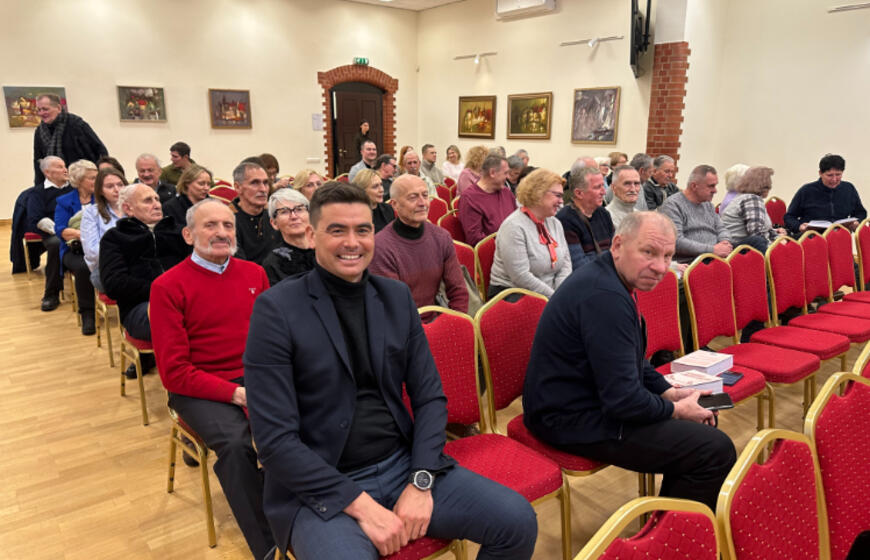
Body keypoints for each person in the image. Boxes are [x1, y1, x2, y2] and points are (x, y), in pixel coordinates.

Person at [243, 182, 537, 559]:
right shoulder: (276, 309)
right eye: (337, 230)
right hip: (320, 483)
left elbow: (430, 397)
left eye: (362, 230)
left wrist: (421, 479)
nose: (353, 242)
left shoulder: (395, 297)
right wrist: (361, 506)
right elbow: (274, 440)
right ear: (312, 235)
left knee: (516, 522)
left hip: (402, 463)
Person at [523, 211, 737, 512]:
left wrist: (668, 392)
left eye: (667, 256)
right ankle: (675, 535)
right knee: (713, 450)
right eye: (648, 252)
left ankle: (673, 523)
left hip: (590, 400)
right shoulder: (605, 297)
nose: (660, 267)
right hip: (568, 418)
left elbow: (633, 360)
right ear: (617, 245)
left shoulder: (613, 278)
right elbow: (623, 402)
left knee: (704, 422)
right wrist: (676, 410)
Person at [150, 198, 274, 559]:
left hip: (255, 375)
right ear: (188, 235)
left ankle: (307, 511)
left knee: (317, 413)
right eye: (210, 226)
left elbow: (273, 339)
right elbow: (174, 372)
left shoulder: (254, 274)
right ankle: (268, 546)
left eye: (228, 225)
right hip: (197, 386)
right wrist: (236, 394)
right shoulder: (168, 286)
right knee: (236, 446)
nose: (222, 233)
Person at [100, 184, 189, 376]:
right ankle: (180, 381)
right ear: (128, 208)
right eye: (148, 201)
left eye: (157, 199)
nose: (157, 204)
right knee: (179, 319)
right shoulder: (115, 238)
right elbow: (114, 284)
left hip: (186, 300)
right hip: (140, 307)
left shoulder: (178, 232)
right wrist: (163, 291)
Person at [369, 175, 468, 312]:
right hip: (403, 323)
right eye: (413, 197)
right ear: (395, 205)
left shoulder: (441, 237)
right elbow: (394, 308)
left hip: (438, 318)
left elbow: (458, 291)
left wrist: (455, 322)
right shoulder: (381, 247)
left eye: (425, 195)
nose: (422, 203)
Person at [488, 168, 571, 298]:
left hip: (551, 292)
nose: (562, 201)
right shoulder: (513, 227)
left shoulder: (555, 223)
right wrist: (554, 298)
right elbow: (520, 276)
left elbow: (565, 265)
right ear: (539, 193)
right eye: (558, 196)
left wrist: (561, 292)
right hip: (514, 292)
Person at [53, 159, 98, 334]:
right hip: (75, 250)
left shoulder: (101, 198)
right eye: (92, 178)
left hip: (100, 246)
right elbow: (61, 230)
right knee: (83, 267)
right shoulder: (64, 201)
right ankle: (87, 313)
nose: (97, 181)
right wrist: (86, 234)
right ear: (79, 181)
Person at [27, 155, 73, 311]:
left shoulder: (74, 188)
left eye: (65, 166)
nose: (65, 170)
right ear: (47, 172)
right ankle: (51, 293)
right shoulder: (38, 192)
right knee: (56, 244)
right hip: (53, 232)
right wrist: (62, 231)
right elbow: (37, 219)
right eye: (60, 167)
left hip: (79, 229)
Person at [661, 164, 733, 263]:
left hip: (715, 257)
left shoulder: (708, 205)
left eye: (715, 185)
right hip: (692, 262)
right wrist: (712, 250)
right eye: (711, 186)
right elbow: (676, 242)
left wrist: (725, 242)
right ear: (694, 186)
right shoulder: (673, 205)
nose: (715, 191)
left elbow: (721, 228)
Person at [32, 93, 107, 186]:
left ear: (58, 108)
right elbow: (38, 161)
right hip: (56, 183)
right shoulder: (40, 131)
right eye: (39, 110)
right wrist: (39, 186)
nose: (41, 113)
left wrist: (101, 178)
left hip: (82, 181)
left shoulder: (77, 124)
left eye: (45, 109)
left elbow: (100, 150)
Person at [784, 154, 867, 235]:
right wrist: (799, 226)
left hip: (840, 236)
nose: (834, 179)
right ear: (820, 173)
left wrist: (857, 222)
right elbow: (789, 217)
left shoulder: (849, 188)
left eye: (838, 174)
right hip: (812, 237)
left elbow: (861, 213)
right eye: (829, 175)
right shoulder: (806, 191)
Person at [556, 166, 613, 269]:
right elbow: (579, 265)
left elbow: (617, 250)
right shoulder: (566, 220)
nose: (604, 192)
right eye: (597, 187)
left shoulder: (603, 213)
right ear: (579, 193)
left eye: (603, 186)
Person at [721, 166, 785, 253]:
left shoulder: (744, 197)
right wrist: (778, 243)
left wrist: (777, 235)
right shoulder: (752, 199)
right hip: (736, 249)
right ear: (764, 186)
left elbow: (762, 229)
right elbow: (756, 232)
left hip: (738, 245)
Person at [81, 167, 126, 292]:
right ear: (100, 191)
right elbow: (92, 252)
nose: (117, 189)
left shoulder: (135, 208)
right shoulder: (91, 213)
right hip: (106, 266)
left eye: (120, 185)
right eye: (110, 186)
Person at [457, 154, 517, 246]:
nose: (508, 177)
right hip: (495, 250)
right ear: (492, 173)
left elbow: (518, 219)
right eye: (505, 173)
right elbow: (475, 240)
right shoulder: (470, 198)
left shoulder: (506, 192)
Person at [262, 189, 316, 286]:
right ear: (274, 223)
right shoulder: (273, 264)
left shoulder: (326, 249)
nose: (294, 216)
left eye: (299, 209)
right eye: (284, 212)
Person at [230, 161, 280, 265]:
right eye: (255, 183)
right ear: (238, 187)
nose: (263, 189)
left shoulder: (273, 214)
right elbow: (240, 266)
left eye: (265, 183)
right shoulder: (227, 221)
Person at [162, 164, 213, 233]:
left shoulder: (215, 205)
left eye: (208, 184)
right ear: (187, 183)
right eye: (201, 184)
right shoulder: (170, 207)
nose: (206, 188)